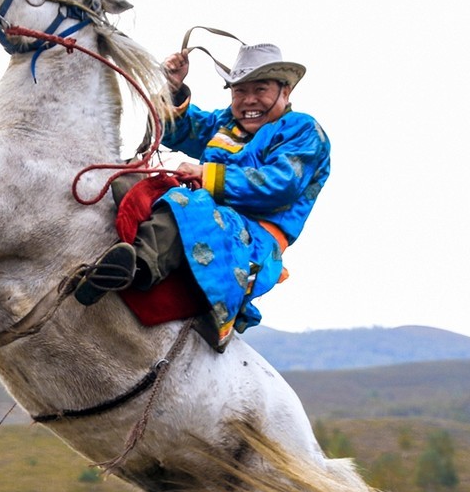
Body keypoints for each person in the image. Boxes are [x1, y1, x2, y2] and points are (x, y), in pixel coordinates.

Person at [74, 42, 331, 349]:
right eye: (239, 92)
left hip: (254, 238)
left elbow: (280, 184)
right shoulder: (225, 124)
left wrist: (204, 175)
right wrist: (173, 85)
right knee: (129, 179)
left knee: (188, 203)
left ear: (285, 92)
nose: (249, 100)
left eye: (260, 90)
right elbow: (177, 129)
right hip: (207, 211)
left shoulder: (302, 130)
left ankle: (135, 269)